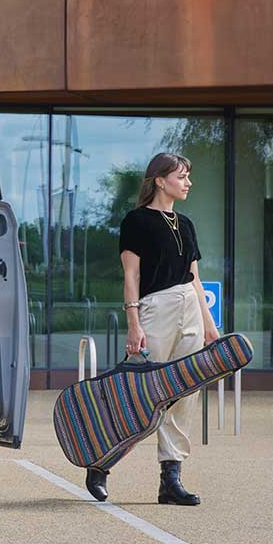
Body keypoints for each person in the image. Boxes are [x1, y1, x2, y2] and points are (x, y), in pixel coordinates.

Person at [90, 152, 217, 506]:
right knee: (137, 393)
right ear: (160, 180)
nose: (188, 182)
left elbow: (194, 277)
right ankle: (101, 462)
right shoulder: (136, 221)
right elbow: (131, 275)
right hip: (154, 307)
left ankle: (170, 479)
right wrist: (133, 322)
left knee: (184, 392)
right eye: (181, 176)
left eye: (188, 176)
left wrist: (208, 323)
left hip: (190, 308)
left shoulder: (186, 224)